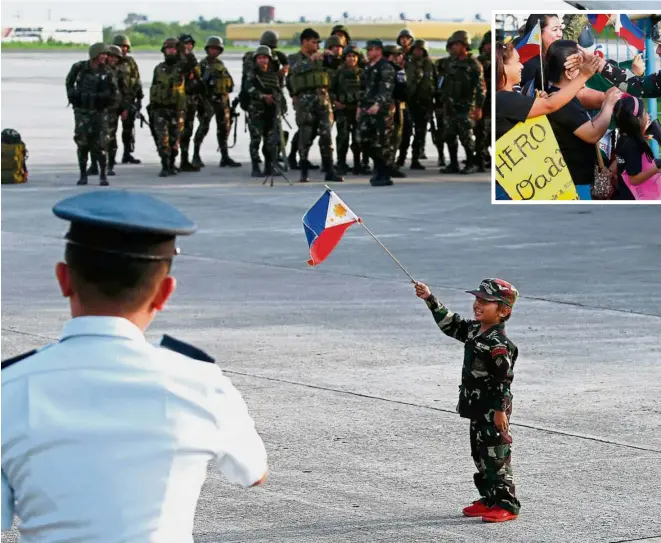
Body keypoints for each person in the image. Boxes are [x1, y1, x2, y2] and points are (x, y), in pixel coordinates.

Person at [1, 190, 268, 541]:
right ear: (164, 292)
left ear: (64, 279)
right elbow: (252, 472)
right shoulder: (200, 383)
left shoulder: (10, 389)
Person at [414, 278, 521, 523]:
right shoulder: (475, 331)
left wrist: (500, 410)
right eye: (477, 299)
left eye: (486, 301)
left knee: (496, 455)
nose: (477, 304)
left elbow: (503, 381)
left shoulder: (499, 345)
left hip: (492, 411)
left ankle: (507, 504)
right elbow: (451, 324)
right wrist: (429, 298)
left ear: (503, 311)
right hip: (476, 407)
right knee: (480, 455)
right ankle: (489, 498)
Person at [545, 40, 622, 198]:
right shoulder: (561, 102)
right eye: (581, 67)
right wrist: (608, 105)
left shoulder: (564, 97)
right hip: (575, 184)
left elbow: (589, 124)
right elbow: (591, 134)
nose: (586, 72)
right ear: (568, 73)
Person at [287, 28, 343, 183]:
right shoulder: (294, 58)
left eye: (318, 43)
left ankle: (329, 169)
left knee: (326, 135)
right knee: (305, 135)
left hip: (323, 100)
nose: (316, 46)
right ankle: (303, 170)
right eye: (313, 42)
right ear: (304, 42)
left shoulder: (321, 57)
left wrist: (332, 56)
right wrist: (311, 60)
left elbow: (337, 65)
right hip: (305, 101)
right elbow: (294, 71)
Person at [66, 42, 118, 186]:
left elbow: (115, 92)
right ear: (95, 54)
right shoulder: (79, 68)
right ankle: (83, 175)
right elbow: (69, 82)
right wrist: (73, 96)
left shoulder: (107, 72)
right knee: (82, 144)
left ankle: (103, 175)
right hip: (82, 112)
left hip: (100, 113)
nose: (105, 57)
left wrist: (105, 100)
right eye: (103, 54)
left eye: (106, 54)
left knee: (101, 145)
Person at [439, 30, 485, 174]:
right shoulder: (449, 64)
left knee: (466, 137)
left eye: (455, 45)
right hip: (450, 106)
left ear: (464, 45)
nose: (452, 48)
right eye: (451, 45)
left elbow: (481, 88)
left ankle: (471, 163)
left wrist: (478, 107)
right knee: (449, 135)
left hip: (466, 107)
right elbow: (442, 84)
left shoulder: (473, 65)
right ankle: (453, 164)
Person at [194, 36, 241, 172]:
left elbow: (229, 83)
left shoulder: (221, 64)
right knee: (203, 128)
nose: (214, 51)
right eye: (212, 49)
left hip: (222, 101)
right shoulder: (202, 65)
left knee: (224, 129)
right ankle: (195, 155)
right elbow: (197, 84)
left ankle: (224, 156)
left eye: (216, 49)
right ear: (208, 49)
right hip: (208, 101)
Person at [358, 39, 395, 187]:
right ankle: (378, 167)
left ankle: (384, 173)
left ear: (379, 50)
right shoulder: (368, 67)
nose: (368, 52)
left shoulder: (385, 67)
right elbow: (363, 89)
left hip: (380, 110)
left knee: (381, 142)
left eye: (371, 49)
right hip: (367, 109)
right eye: (368, 50)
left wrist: (378, 104)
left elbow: (386, 88)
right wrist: (360, 107)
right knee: (363, 140)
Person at [149, 37, 186, 177]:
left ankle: (171, 163)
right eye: (168, 49)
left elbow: (191, 63)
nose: (170, 51)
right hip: (160, 109)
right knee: (162, 139)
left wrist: (183, 51)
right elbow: (154, 87)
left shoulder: (182, 67)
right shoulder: (158, 68)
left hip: (176, 109)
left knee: (175, 140)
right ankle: (165, 165)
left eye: (173, 49)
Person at [612, 95, 661, 200]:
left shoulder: (624, 139)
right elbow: (633, 179)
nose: (648, 116)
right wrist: (656, 168)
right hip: (636, 197)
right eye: (645, 113)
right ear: (637, 120)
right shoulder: (631, 145)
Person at [246, 46, 281, 177]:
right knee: (256, 140)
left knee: (270, 140)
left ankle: (269, 166)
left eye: (265, 58)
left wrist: (279, 105)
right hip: (256, 111)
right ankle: (255, 167)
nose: (262, 60)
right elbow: (248, 89)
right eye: (260, 58)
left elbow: (278, 90)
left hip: (270, 112)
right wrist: (263, 97)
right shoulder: (252, 75)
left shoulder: (272, 76)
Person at [331, 45, 365, 175]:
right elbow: (331, 90)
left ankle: (358, 164)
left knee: (357, 139)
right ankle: (341, 164)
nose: (351, 59)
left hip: (357, 110)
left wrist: (361, 106)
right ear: (344, 58)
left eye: (354, 56)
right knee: (343, 138)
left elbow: (366, 90)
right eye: (349, 56)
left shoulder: (361, 73)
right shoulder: (339, 72)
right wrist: (336, 101)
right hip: (343, 110)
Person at [112, 34, 143, 164]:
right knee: (110, 130)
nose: (122, 49)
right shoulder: (110, 61)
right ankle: (110, 156)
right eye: (120, 46)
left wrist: (139, 99)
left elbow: (136, 80)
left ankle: (127, 153)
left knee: (128, 129)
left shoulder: (130, 62)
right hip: (113, 102)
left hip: (129, 100)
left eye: (125, 46)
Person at [405, 39, 436, 170]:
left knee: (420, 133)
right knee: (405, 132)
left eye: (420, 50)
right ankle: (400, 158)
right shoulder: (407, 64)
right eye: (416, 49)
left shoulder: (429, 64)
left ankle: (415, 158)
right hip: (409, 102)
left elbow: (435, 82)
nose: (418, 52)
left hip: (424, 103)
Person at [519, 14, 563, 93]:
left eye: (561, 29)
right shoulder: (529, 64)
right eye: (555, 29)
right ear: (538, 33)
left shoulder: (557, 57)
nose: (560, 35)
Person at [384, 45, 408, 178]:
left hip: (380, 106)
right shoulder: (398, 70)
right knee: (395, 135)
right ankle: (390, 164)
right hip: (395, 107)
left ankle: (383, 164)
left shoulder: (376, 68)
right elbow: (402, 90)